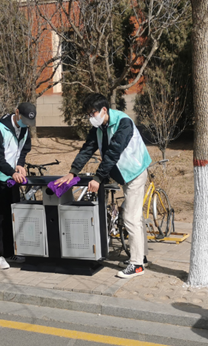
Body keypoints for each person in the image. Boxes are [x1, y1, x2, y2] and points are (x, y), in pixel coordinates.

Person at [54, 93, 151, 278]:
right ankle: (141, 257)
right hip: (124, 174)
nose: (90, 117)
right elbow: (87, 149)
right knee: (134, 216)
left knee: (130, 217)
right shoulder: (99, 127)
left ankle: (137, 265)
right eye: (88, 114)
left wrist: (98, 178)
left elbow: (114, 152)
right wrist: (73, 172)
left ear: (104, 110)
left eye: (92, 113)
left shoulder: (123, 123)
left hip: (136, 172)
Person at [0, 103, 36, 270]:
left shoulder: (24, 129)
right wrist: (12, 172)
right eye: (24, 120)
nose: (26, 125)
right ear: (17, 113)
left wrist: (20, 164)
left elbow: (24, 149)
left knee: (11, 216)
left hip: (12, 179)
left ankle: (9, 252)